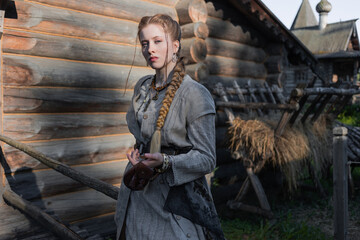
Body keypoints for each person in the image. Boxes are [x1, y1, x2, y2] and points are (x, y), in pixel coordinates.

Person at [114, 14, 225, 240]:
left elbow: (207, 159)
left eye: (157, 41)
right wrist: (139, 157)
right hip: (138, 193)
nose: (149, 49)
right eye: (144, 43)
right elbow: (143, 137)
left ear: (175, 45)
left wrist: (166, 162)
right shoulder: (142, 88)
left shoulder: (194, 94)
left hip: (176, 199)